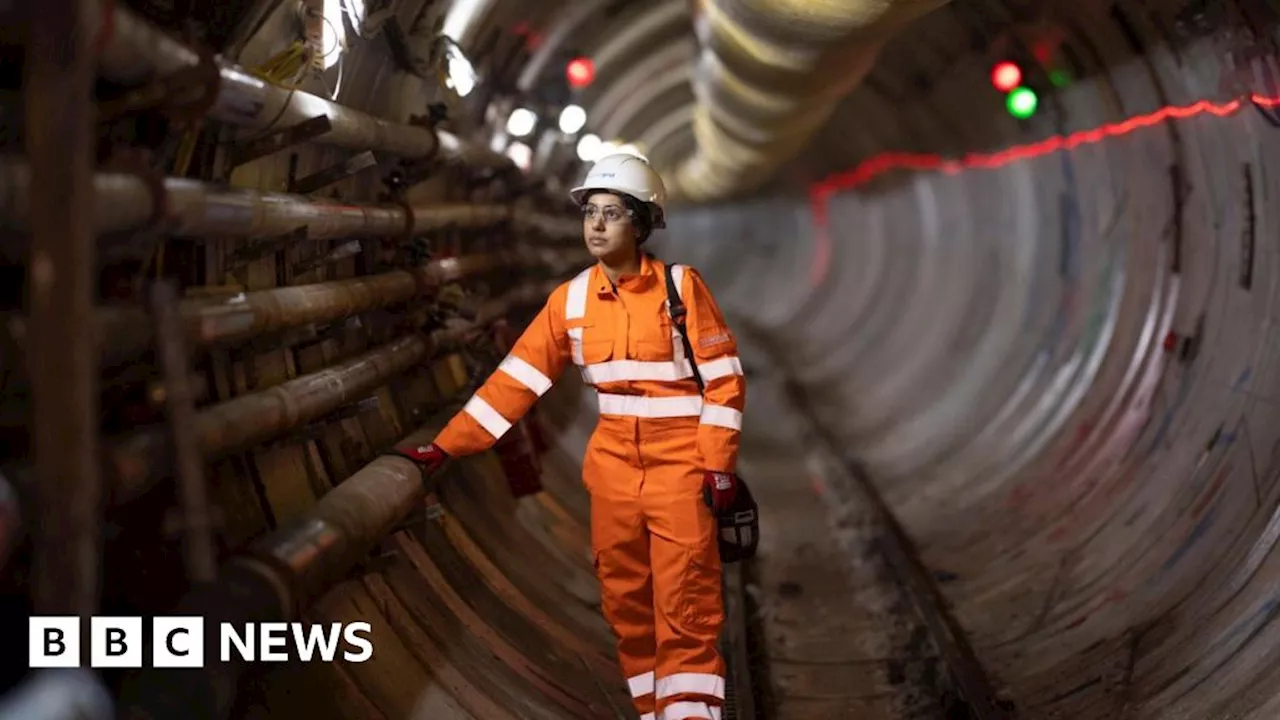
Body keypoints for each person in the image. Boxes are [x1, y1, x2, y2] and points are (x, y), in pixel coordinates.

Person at [390, 153, 752, 720]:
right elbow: (516, 381)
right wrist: (447, 444)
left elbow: (725, 381)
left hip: (681, 467)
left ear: (641, 224)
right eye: (591, 214)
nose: (597, 225)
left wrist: (718, 465)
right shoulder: (572, 301)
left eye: (612, 213)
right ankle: (658, 712)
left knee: (685, 601)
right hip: (611, 471)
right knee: (626, 604)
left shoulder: (681, 290)